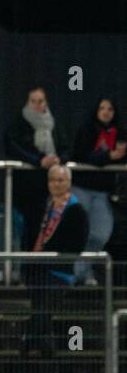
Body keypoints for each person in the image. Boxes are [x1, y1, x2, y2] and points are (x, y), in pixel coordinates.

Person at [21, 164, 88, 371]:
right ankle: (41, 362)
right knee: (42, 315)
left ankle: (28, 349)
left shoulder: (76, 210)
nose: (56, 184)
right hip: (36, 271)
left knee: (43, 314)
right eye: (52, 180)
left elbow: (77, 244)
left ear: (68, 182)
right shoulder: (43, 206)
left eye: (61, 180)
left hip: (58, 272)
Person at [70, 97, 125, 286]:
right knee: (78, 232)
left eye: (110, 108)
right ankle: (74, 275)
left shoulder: (119, 133)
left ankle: (82, 272)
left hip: (102, 192)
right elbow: (80, 155)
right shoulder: (87, 129)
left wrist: (117, 156)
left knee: (99, 234)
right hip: (81, 188)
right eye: (102, 107)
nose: (106, 111)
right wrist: (108, 156)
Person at [5, 86, 64, 240]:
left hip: (48, 186)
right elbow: (14, 147)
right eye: (33, 101)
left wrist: (58, 159)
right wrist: (39, 161)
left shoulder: (53, 123)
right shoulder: (18, 123)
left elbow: (65, 147)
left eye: (41, 101)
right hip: (26, 186)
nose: (37, 105)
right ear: (27, 102)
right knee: (27, 227)